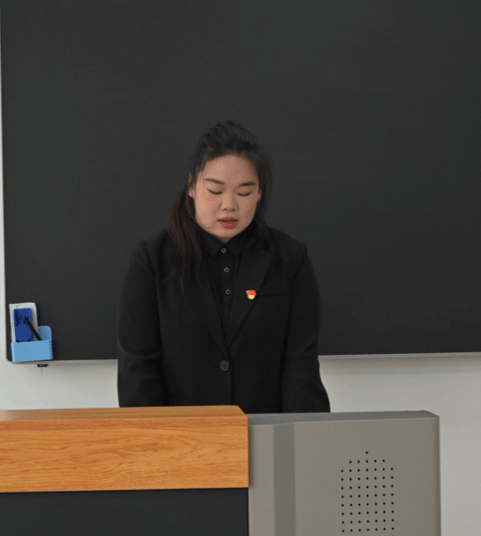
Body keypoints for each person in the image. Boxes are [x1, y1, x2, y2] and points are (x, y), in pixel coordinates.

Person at [117, 121, 330, 414]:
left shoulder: (290, 258)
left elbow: (300, 366)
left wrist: (302, 437)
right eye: (215, 190)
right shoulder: (151, 260)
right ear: (192, 186)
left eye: (244, 193)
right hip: (181, 433)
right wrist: (158, 439)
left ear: (259, 193)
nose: (229, 205)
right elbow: (138, 368)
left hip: (265, 431)